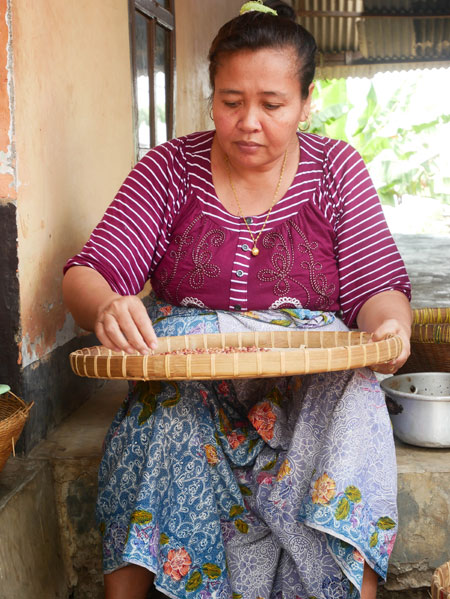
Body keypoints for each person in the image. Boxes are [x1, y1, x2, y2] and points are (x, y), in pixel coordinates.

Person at [63, 2, 412, 598]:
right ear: (212, 96)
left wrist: (388, 331)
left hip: (308, 381)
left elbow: (377, 288)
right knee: (159, 419)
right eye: (231, 101)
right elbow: (90, 271)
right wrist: (105, 307)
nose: (249, 121)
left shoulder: (335, 170)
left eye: (272, 105)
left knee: (358, 398)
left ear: (306, 101)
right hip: (191, 379)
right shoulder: (170, 168)